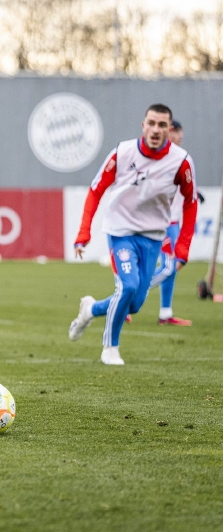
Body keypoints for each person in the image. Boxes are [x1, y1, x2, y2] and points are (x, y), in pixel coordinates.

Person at [68, 104, 198, 365]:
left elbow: (190, 202)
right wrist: (83, 232)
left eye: (162, 125)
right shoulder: (122, 152)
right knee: (127, 286)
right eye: (152, 123)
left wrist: (183, 247)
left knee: (134, 303)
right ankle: (110, 348)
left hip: (153, 237)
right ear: (143, 125)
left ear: (169, 130)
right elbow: (95, 190)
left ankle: (90, 309)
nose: (156, 130)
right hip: (120, 232)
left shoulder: (181, 161)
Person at [147, 119, 201, 326]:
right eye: (177, 133)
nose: (180, 137)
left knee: (170, 268)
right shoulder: (159, 158)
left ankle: (165, 313)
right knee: (169, 267)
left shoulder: (181, 158)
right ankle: (126, 295)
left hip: (174, 222)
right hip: (162, 223)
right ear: (169, 132)